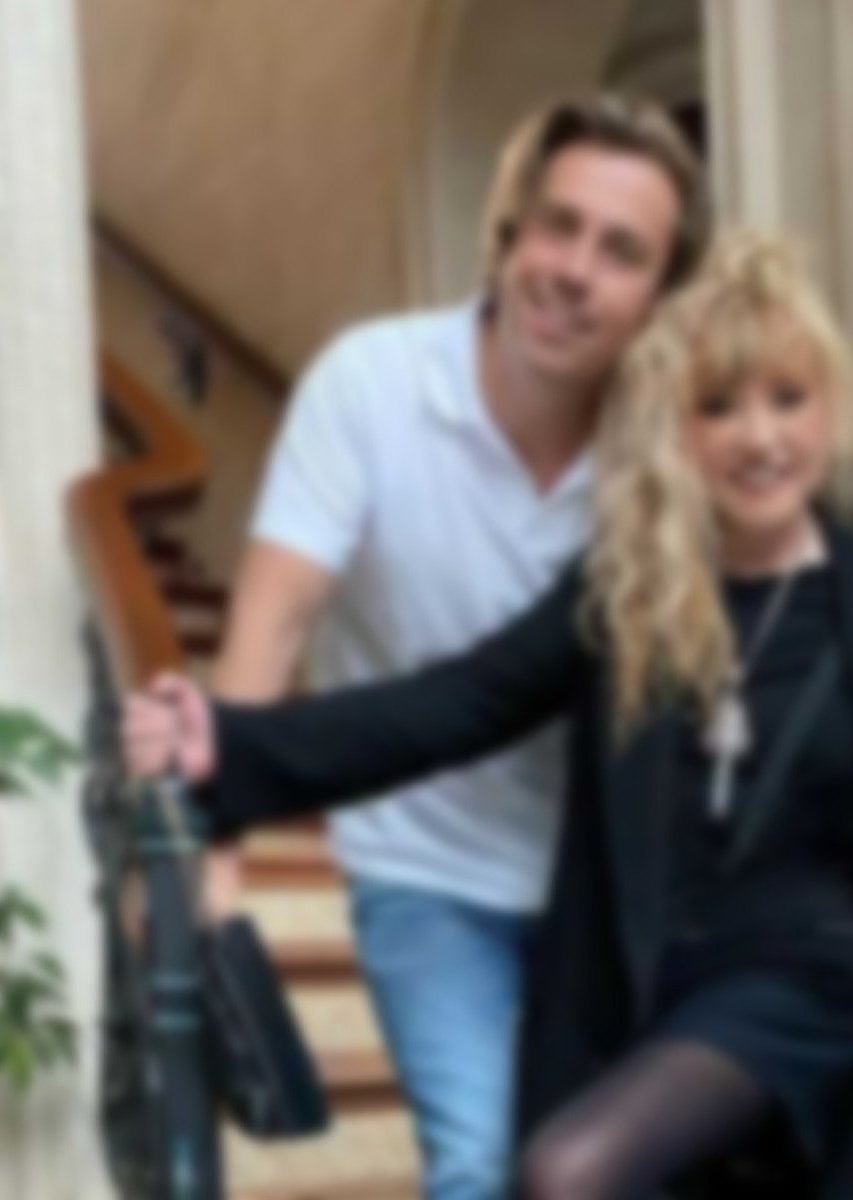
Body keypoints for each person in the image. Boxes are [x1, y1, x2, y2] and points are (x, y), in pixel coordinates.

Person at [125, 230, 853, 1200]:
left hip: (811, 979)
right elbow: (458, 703)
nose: (760, 438)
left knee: (565, 1173)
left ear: (829, 410)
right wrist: (230, 741)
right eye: (719, 406)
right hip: (643, 987)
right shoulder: (629, 590)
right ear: (676, 431)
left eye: (788, 399)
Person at [201, 93, 711, 1200]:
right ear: (512, 230)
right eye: (560, 225)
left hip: (601, 878)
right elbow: (275, 616)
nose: (575, 271)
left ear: (659, 298)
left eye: (621, 251)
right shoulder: (370, 385)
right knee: (480, 1161)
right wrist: (215, 836)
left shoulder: (670, 451)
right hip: (423, 866)